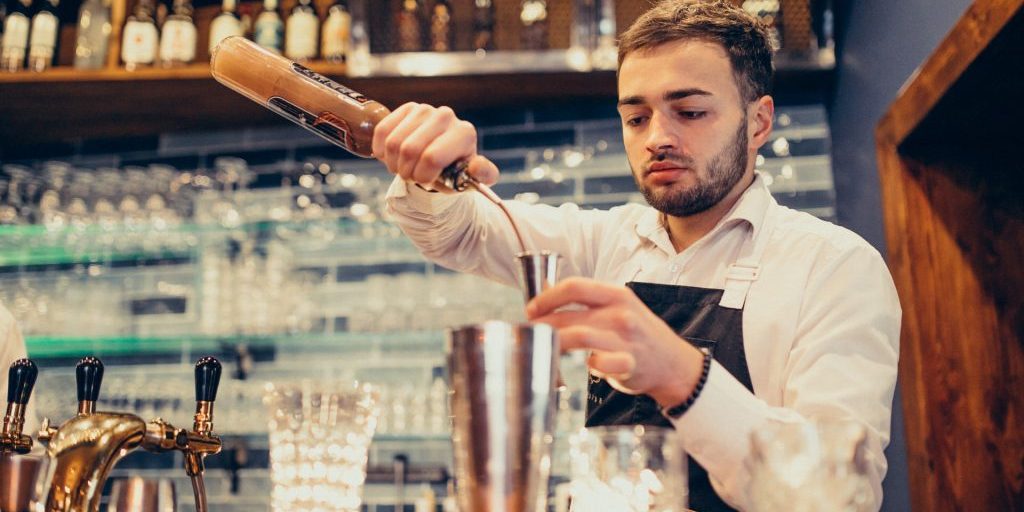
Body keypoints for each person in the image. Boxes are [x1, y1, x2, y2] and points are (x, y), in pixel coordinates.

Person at [377, 1, 900, 510]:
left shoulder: (835, 266)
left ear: (759, 122)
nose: (658, 138)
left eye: (690, 112)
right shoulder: (605, 241)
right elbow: (459, 231)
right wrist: (431, 173)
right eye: (636, 118)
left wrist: (682, 376)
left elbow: (836, 496)